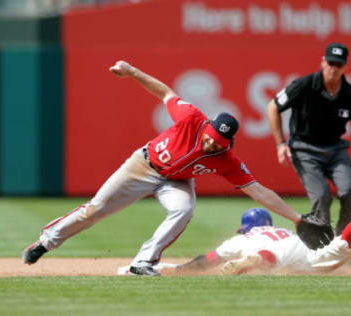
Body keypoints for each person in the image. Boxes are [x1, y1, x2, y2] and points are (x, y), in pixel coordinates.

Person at [22, 60, 309, 276]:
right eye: (211, 136)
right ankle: (46, 242)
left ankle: (143, 262)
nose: (211, 143)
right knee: (96, 208)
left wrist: (297, 219)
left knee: (184, 209)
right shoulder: (191, 117)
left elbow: (258, 191)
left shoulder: (226, 159)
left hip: (177, 181)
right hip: (143, 165)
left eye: (219, 142)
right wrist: (131, 71)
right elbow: (165, 92)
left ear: (228, 143)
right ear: (208, 125)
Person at [266, 42, 351, 241]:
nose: (334, 68)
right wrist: (280, 143)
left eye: (338, 64)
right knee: (322, 197)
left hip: (335, 149)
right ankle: (322, 244)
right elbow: (273, 107)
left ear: (345, 67)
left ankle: (343, 243)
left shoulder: (350, 94)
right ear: (323, 62)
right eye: (330, 63)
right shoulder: (304, 85)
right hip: (304, 149)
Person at [161, 196, 351, 275]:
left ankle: (256, 260)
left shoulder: (242, 238)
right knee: (342, 245)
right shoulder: (279, 229)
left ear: (245, 227)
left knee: (265, 256)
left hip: (275, 254)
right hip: (303, 247)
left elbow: (208, 260)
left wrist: (179, 270)